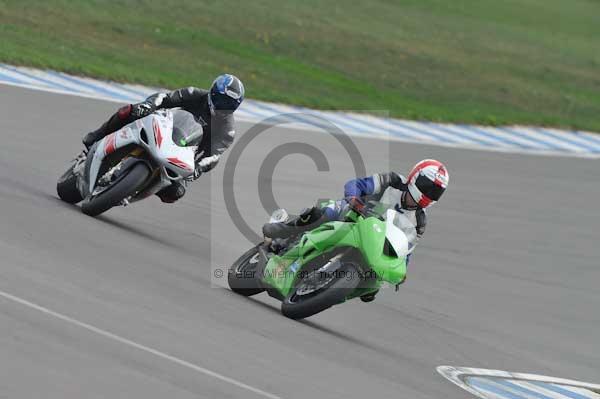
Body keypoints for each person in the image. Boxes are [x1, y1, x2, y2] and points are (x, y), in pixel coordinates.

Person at [262, 159, 449, 301]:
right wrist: (353, 198)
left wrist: (400, 273)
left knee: (373, 285)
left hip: (372, 242)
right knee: (325, 214)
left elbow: (406, 250)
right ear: (415, 177)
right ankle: (285, 229)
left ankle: (323, 289)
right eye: (427, 187)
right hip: (353, 214)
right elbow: (357, 184)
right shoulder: (392, 181)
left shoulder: (420, 221)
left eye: (435, 192)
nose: (428, 194)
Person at [81, 74, 244, 203]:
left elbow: (213, 156)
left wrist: (197, 169)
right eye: (221, 100)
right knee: (128, 111)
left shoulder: (227, 130)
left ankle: (134, 189)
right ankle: (96, 137)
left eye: (229, 105)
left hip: (183, 153)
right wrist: (148, 106)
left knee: (175, 193)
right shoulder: (195, 94)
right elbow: (164, 98)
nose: (223, 106)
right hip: (163, 127)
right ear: (213, 92)